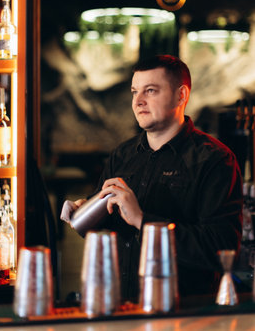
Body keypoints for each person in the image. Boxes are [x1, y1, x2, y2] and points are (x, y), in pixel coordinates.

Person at [61, 54, 243, 301]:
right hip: (121, 308)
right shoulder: (123, 155)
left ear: (181, 95)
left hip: (183, 315)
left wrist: (143, 220)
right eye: (135, 92)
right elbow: (106, 230)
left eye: (151, 91)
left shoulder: (215, 160)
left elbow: (223, 250)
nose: (138, 101)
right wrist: (85, 213)